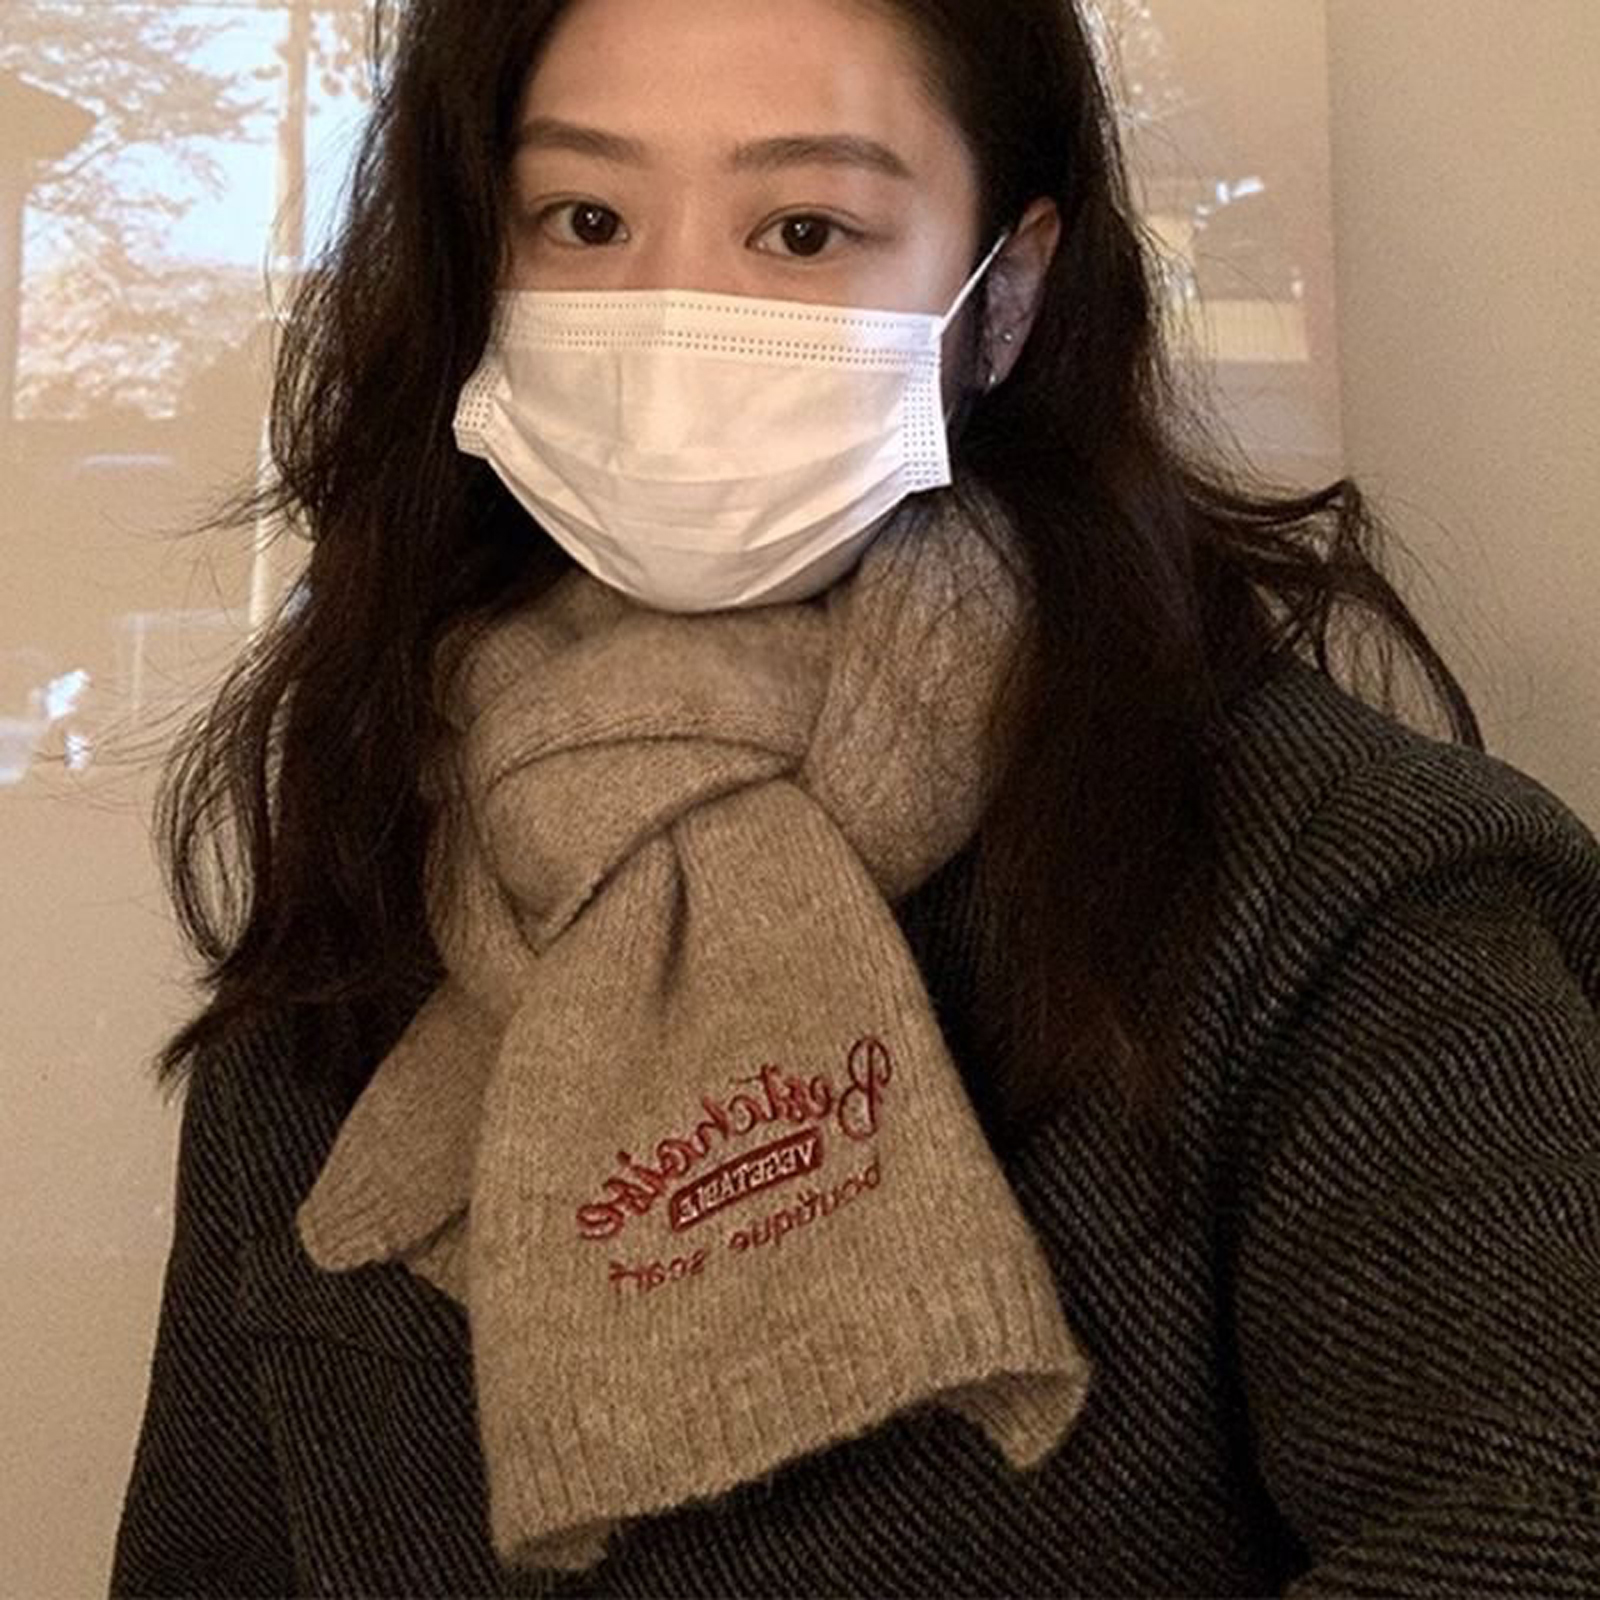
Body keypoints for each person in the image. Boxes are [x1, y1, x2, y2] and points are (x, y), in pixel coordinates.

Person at [110, 0, 1600, 1595]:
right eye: (587, 220)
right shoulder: (378, 841)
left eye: (805, 230)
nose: (677, 317)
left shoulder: (1356, 900)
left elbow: (1525, 1540)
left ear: (1003, 297)